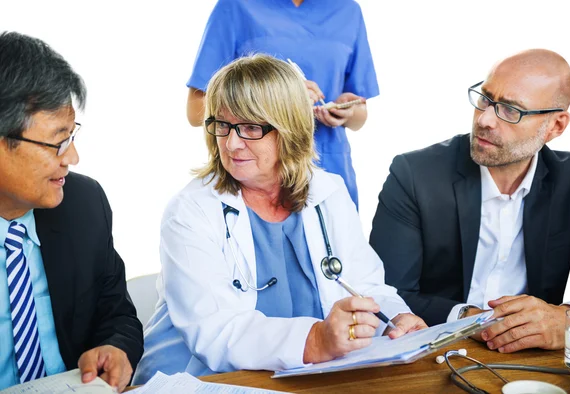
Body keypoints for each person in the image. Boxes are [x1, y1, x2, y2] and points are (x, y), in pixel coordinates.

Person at [133, 54, 425, 383]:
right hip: (198, 382)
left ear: (289, 129)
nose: (231, 144)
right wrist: (316, 339)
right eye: (222, 125)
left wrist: (395, 317)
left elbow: (366, 285)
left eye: (250, 127)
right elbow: (214, 331)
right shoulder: (190, 210)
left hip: (299, 378)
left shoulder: (328, 193)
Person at [370, 49, 570, 354]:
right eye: (486, 98)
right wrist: (472, 320)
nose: (486, 119)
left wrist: (568, 318)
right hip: (435, 352)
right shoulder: (414, 174)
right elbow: (385, 293)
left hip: (533, 361)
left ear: (555, 126)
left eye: (510, 110)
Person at [0, 32, 143, 392]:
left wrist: (116, 347)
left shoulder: (83, 204)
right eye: (57, 141)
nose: (72, 158)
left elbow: (117, 314)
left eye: (72, 135)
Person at [185, 0, 379, 209]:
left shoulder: (347, 11)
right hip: (257, 181)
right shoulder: (235, 6)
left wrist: (347, 111)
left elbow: (360, 116)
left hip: (330, 167)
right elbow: (196, 111)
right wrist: (284, 97)